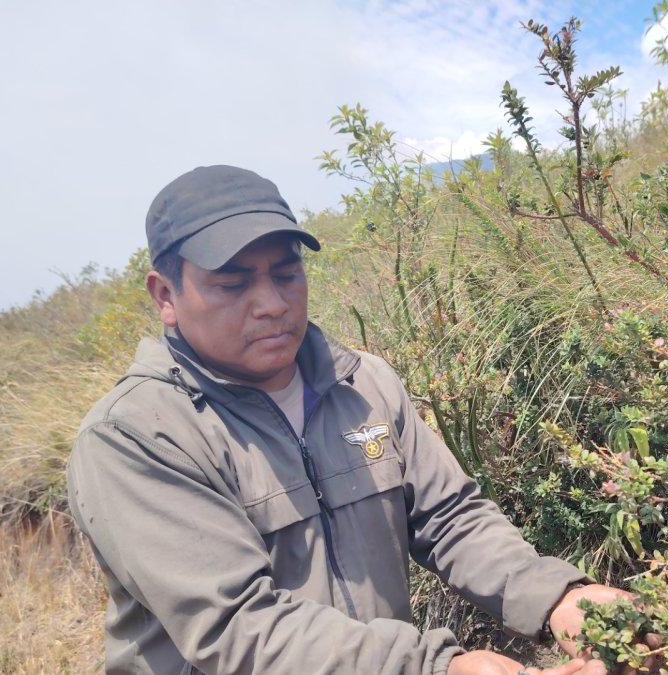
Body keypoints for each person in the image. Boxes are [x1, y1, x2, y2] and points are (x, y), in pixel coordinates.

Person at [67, 165, 634, 674]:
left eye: (286, 274)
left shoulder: (364, 385)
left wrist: (560, 597)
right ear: (165, 294)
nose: (271, 303)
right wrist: (437, 668)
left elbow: (450, 517)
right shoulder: (135, 437)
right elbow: (237, 628)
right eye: (233, 284)